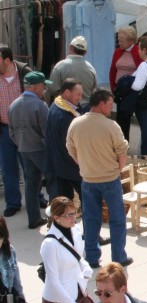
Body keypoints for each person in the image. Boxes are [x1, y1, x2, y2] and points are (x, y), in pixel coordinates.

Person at [66, 88, 132, 268]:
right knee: (117, 218)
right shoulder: (111, 126)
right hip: (110, 179)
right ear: (101, 104)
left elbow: (70, 148)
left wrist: (84, 164)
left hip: (88, 179)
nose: (111, 109)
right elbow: (122, 150)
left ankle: (92, 257)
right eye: (110, 105)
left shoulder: (76, 123)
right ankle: (119, 257)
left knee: (90, 219)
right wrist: (117, 169)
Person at [8, 71, 50, 229]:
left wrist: (20, 144)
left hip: (23, 149)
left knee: (31, 184)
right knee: (52, 182)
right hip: (39, 149)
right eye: (44, 86)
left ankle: (34, 219)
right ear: (37, 87)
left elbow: (11, 132)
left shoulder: (14, 104)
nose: (45, 89)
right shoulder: (40, 105)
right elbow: (47, 132)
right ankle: (57, 219)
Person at [0, 44, 32, 217]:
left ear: (7, 60)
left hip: (24, 130)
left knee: (29, 166)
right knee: (8, 168)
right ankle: (13, 203)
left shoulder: (24, 72)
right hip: (4, 130)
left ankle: (35, 197)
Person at [45, 78, 84, 202]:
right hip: (69, 167)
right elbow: (73, 145)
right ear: (67, 92)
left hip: (57, 164)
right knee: (87, 199)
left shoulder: (55, 105)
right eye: (78, 94)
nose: (80, 98)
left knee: (61, 204)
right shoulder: (65, 116)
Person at [109, 26, 142, 141]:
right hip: (120, 90)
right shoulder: (118, 51)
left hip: (131, 91)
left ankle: (123, 143)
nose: (119, 43)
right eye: (118, 40)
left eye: (122, 41)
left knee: (125, 117)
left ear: (131, 41)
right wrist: (113, 88)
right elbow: (113, 70)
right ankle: (121, 142)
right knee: (120, 118)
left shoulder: (138, 52)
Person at [48, 36, 97, 108]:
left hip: (65, 109)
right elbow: (94, 91)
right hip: (85, 110)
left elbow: (52, 89)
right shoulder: (91, 68)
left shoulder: (60, 66)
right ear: (85, 52)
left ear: (70, 47)